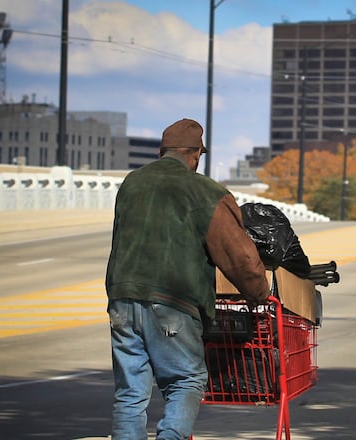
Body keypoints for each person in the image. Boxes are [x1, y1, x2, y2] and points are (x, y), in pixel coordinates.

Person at [105, 118, 270, 440]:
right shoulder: (205, 191)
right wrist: (258, 293)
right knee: (186, 380)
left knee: (130, 393)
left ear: (161, 150)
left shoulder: (132, 182)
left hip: (122, 300)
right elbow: (241, 258)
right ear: (196, 154)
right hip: (173, 301)